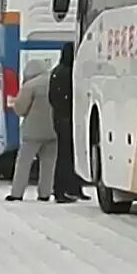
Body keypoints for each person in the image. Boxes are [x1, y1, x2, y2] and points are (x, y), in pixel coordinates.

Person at [7, 58, 57, 201]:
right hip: (53, 129)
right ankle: (45, 193)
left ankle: (17, 193)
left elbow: (20, 108)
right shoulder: (54, 82)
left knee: (24, 162)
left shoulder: (30, 86)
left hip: (32, 132)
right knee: (48, 163)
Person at [49, 42, 90, 203]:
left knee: (65, 156)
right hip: (69, 119)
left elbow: (52, 98)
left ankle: (68, 188)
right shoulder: (71, 73)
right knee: (69, 156)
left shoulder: (56, 72)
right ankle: (66, 189)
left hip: (59, 118)